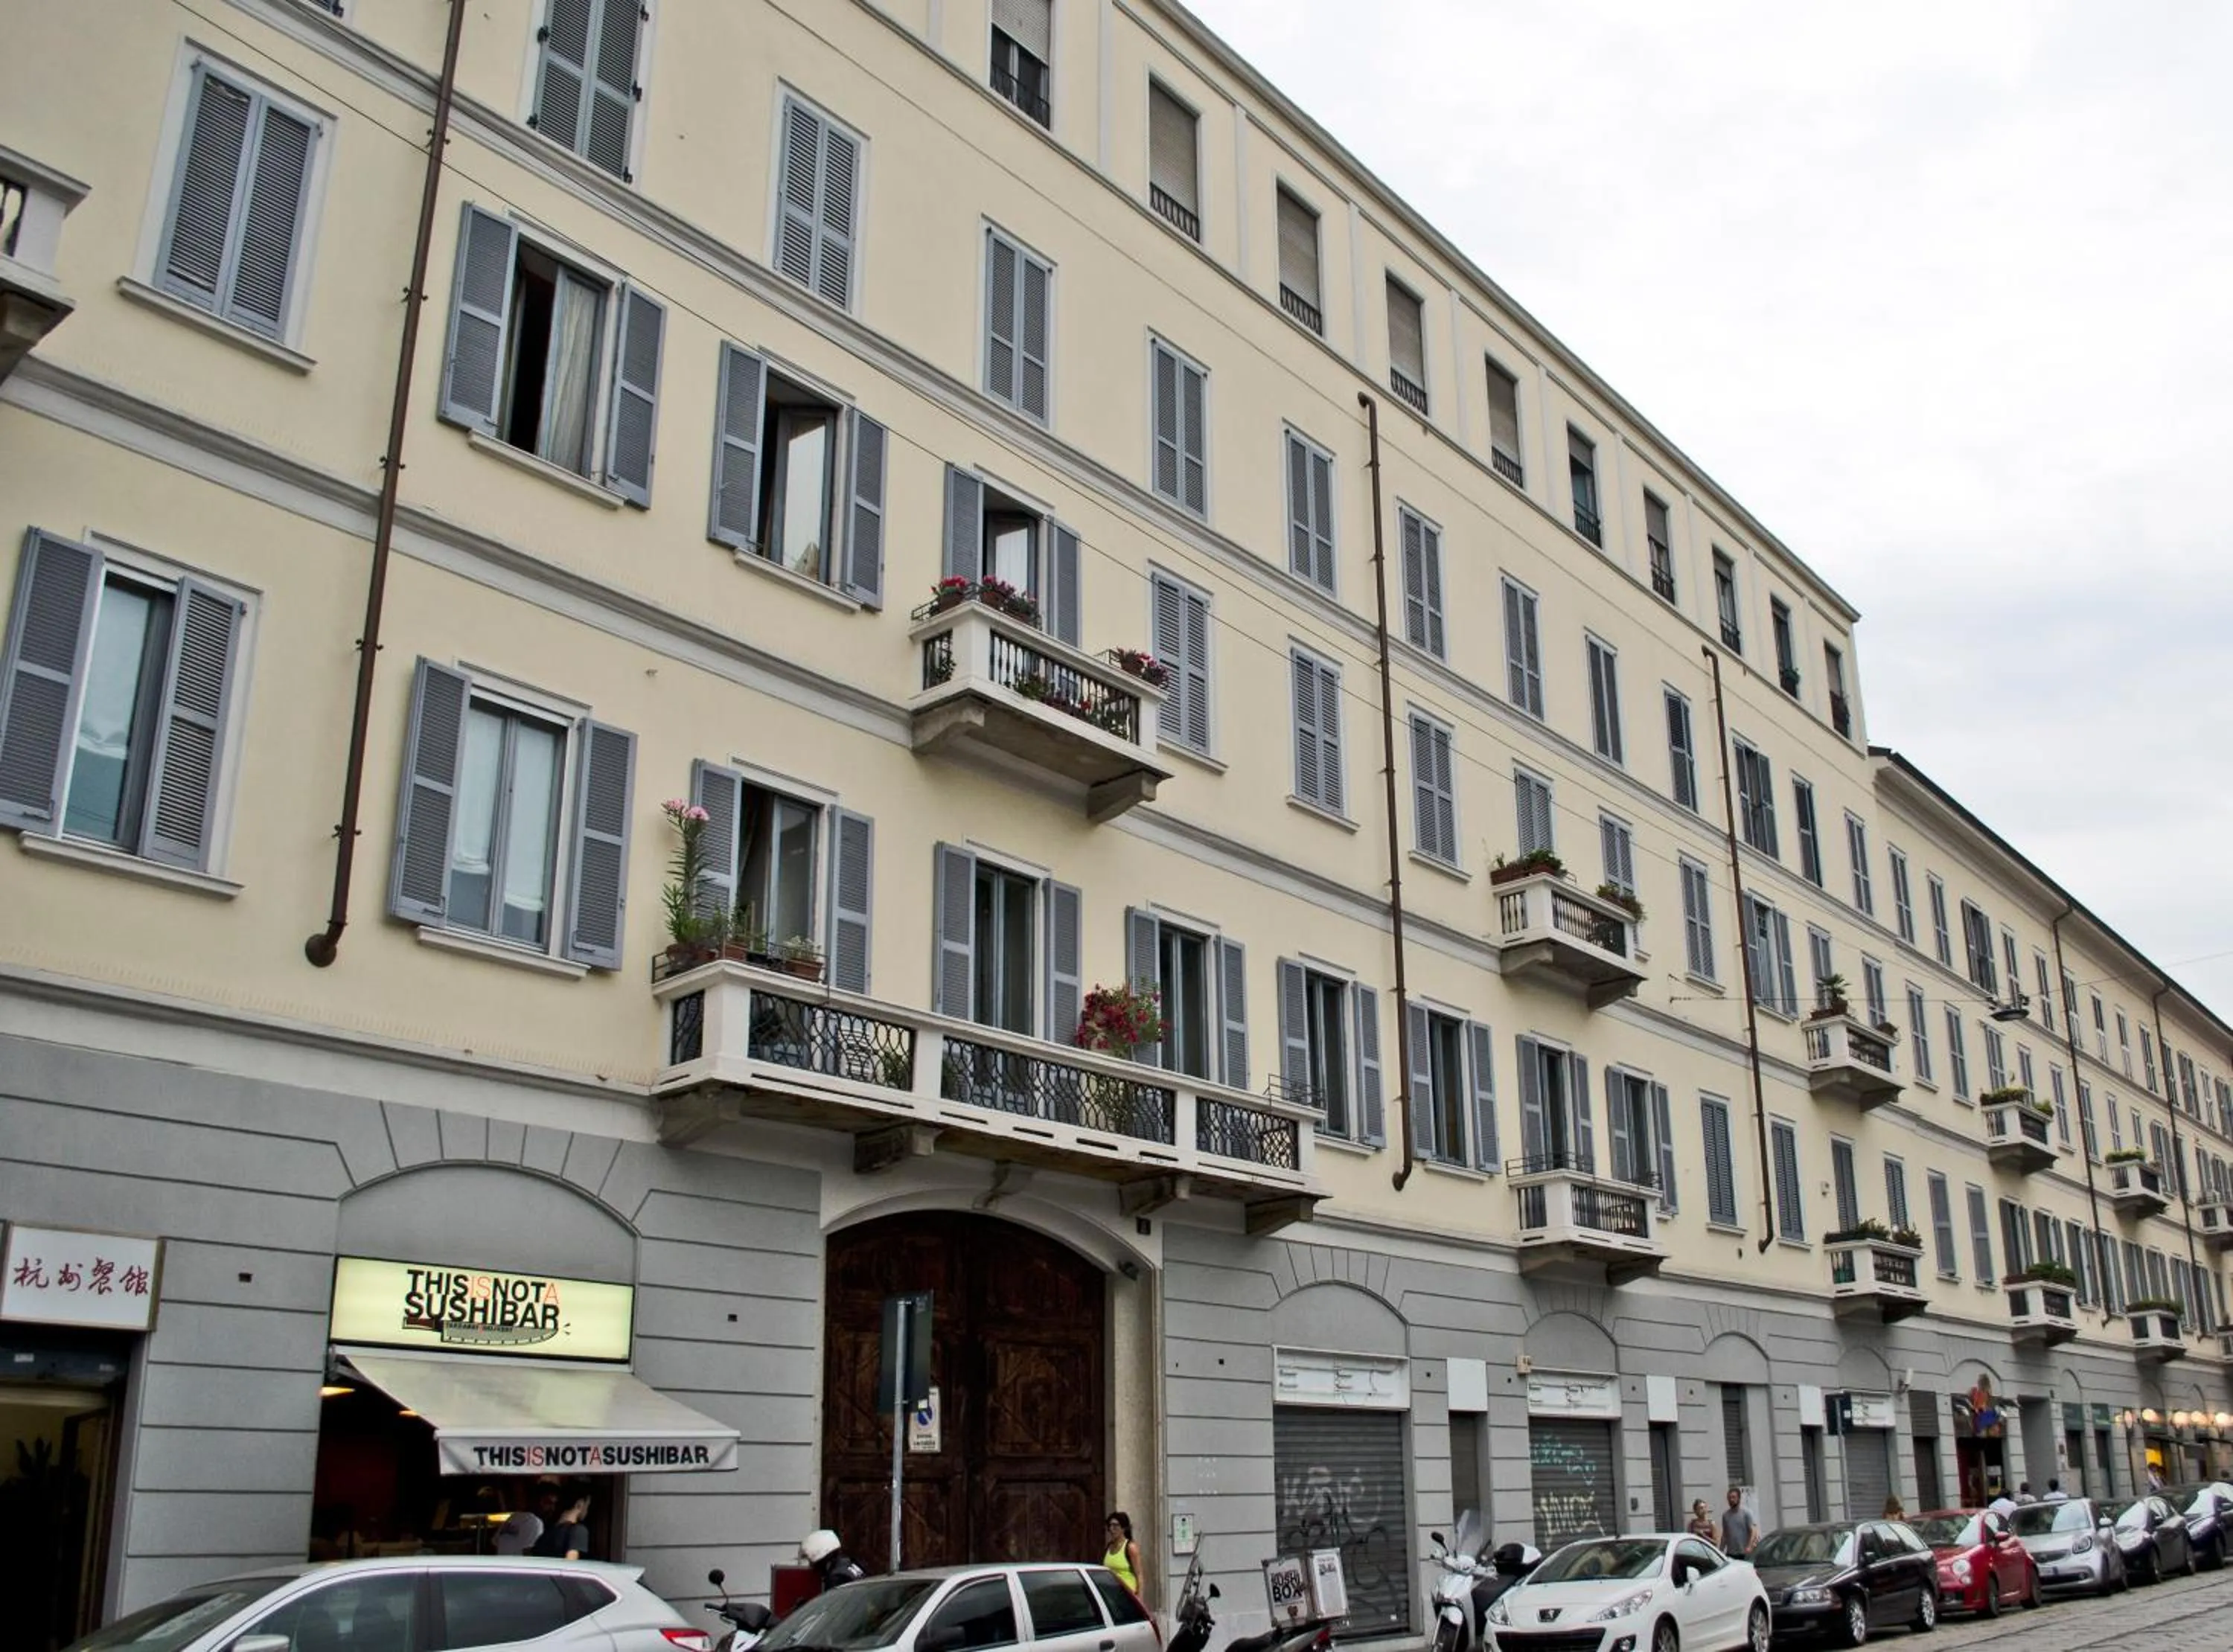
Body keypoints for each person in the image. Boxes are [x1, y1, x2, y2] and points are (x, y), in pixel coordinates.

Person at [532, 1490, 591, 1560]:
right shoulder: (578, 1531)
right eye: (587, 1505)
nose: (587, 1510)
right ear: (579, 1504)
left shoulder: (546, 1533)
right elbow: (570, 1564)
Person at [800, 1528, 867, 1589]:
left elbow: (835, 1601)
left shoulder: (837, 1578)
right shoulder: (851, 1564)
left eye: (811, 1561)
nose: (811, 1566)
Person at [1103, 1512, 1143, 1595]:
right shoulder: (1109, 1547)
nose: (1111, 1529)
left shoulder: (1130, 1547)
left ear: (1123, 1528)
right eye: (1109, 1526)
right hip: (1111, 1595)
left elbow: (1139, 1575)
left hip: (1127, 1595)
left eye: (1115, 1526)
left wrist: (1140, 1598)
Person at [1718, 1487, 1757, 1557]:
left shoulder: (1746, 1513)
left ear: (1739, 1498)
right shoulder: (1725, 1515)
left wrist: (1750, 1546)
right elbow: (1725, 1535)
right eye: (1729, 1498)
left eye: (1733, 1497)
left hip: (1744, 1552)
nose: (1731, 1500)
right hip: (1731, 1553)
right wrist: (1720, 1551)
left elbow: (1753, 1531)